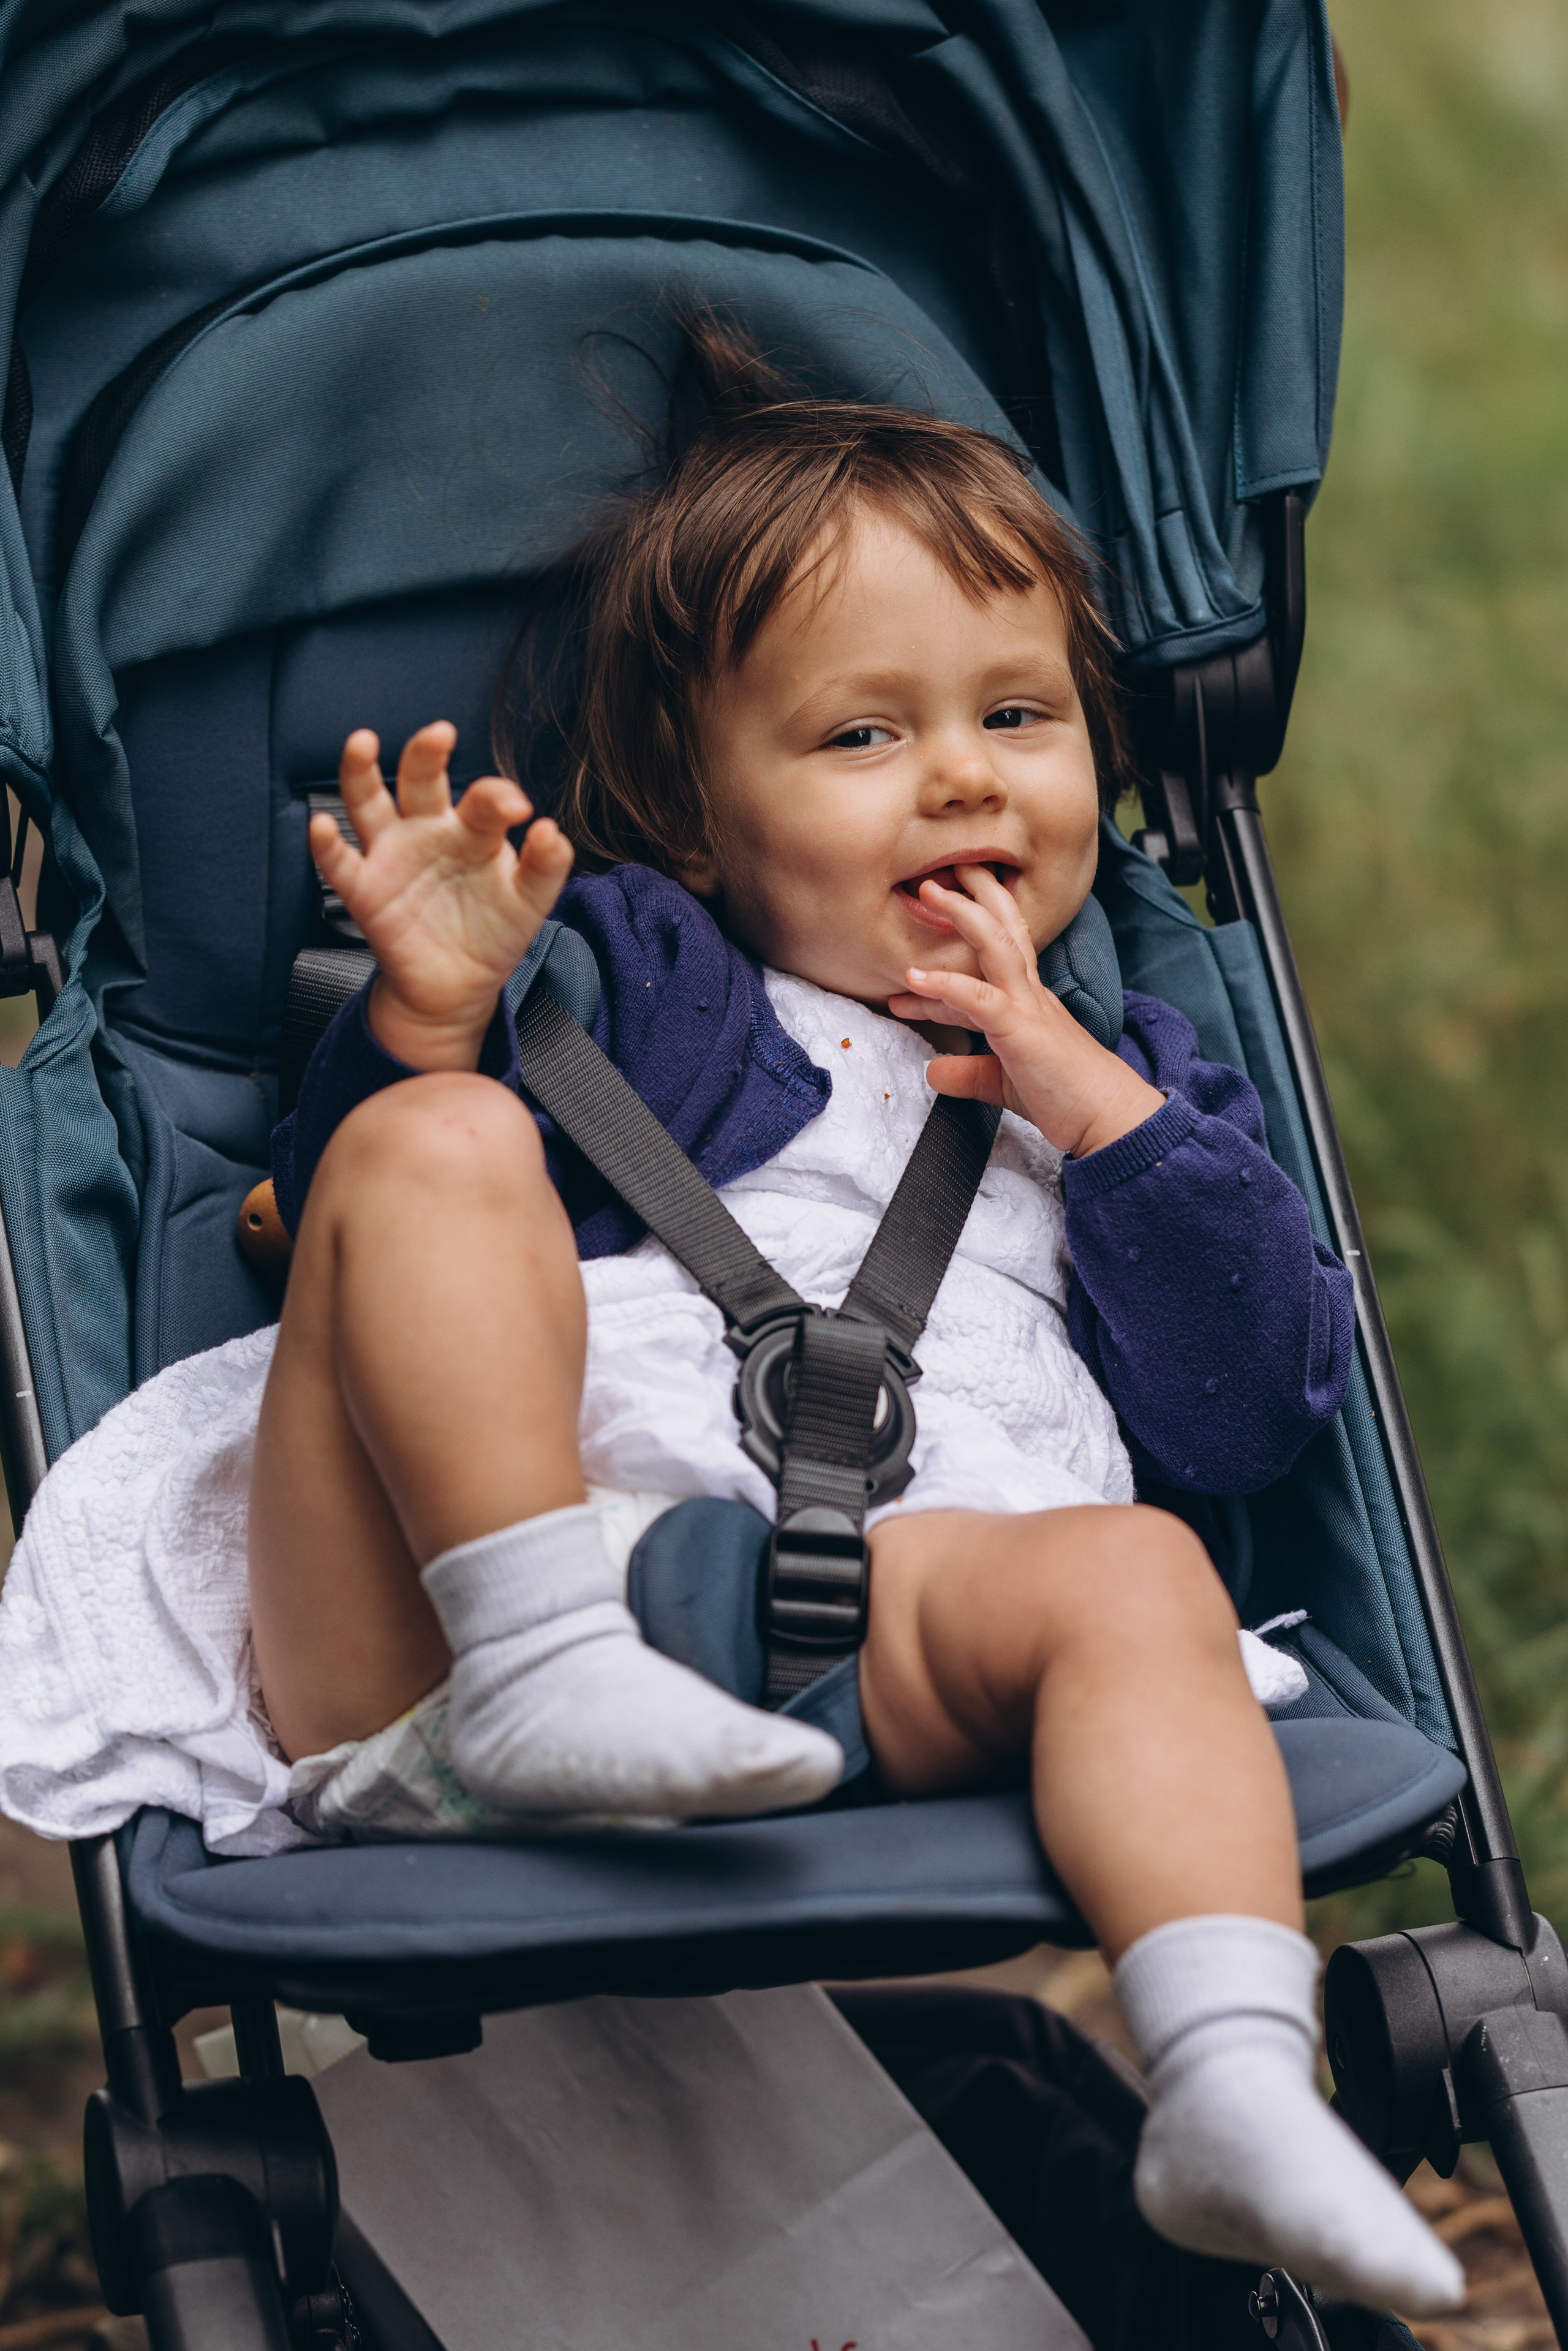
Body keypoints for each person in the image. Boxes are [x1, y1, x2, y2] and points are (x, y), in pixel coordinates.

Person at [0, 331, 1461, 2317]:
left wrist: (1076, 1091)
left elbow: (1249, 1405)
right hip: (438, 1623)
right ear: (698, 810)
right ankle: (549, 1658)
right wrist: (428, 1015)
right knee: (434, 1146)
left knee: (1134, 1577)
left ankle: (1225, 2072)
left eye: (1019, 713)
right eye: (864, 737)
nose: (959, 771)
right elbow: (337, 1230)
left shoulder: (1128, 1086)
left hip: (874, 1621)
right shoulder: (645, 980)